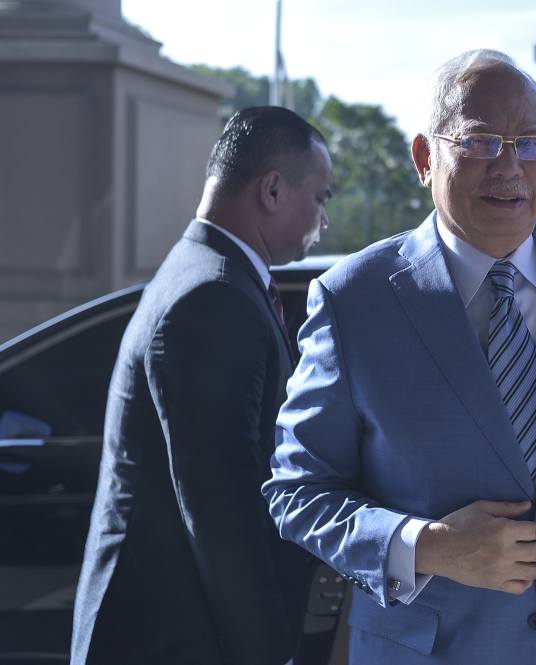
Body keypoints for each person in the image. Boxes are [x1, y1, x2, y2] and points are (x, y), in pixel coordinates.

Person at [263, 50, 536, 665]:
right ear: (424, 158)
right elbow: (298, 492)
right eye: (480, 140)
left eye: (531, 142)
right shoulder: (355, 299)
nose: (510, 166)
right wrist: (428, 546)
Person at [71, 106, 333, 665]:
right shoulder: (212, 296)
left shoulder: (202, 270)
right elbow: (222, 507)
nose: (323, 219)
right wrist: (267, 650)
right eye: (322, 197)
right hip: (174, 636)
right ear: (272, 189)